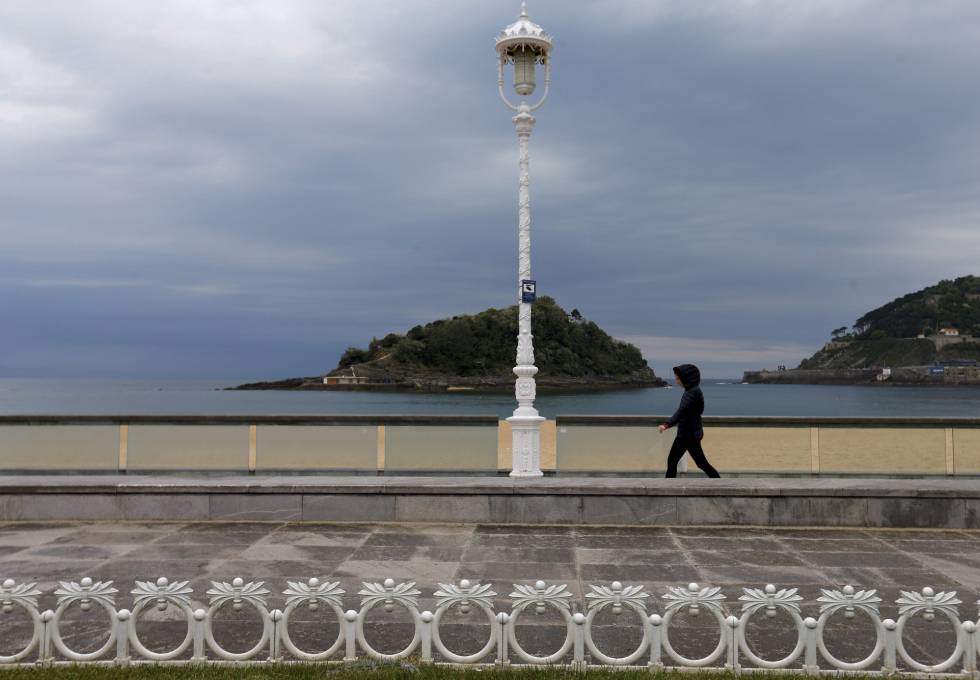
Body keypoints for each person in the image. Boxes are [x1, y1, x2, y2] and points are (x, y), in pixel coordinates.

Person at [658, 364, 721, 478]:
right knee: (700, 463)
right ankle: (718, 481)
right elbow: (691, 411)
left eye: (678, 378)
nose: (676, 381)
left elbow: (681, 411)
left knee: (673, 460)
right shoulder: (692, 390)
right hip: (690, 433)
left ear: (687, 378)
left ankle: (669, 485)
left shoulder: (692, 392)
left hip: (688, 434)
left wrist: (667, 425)